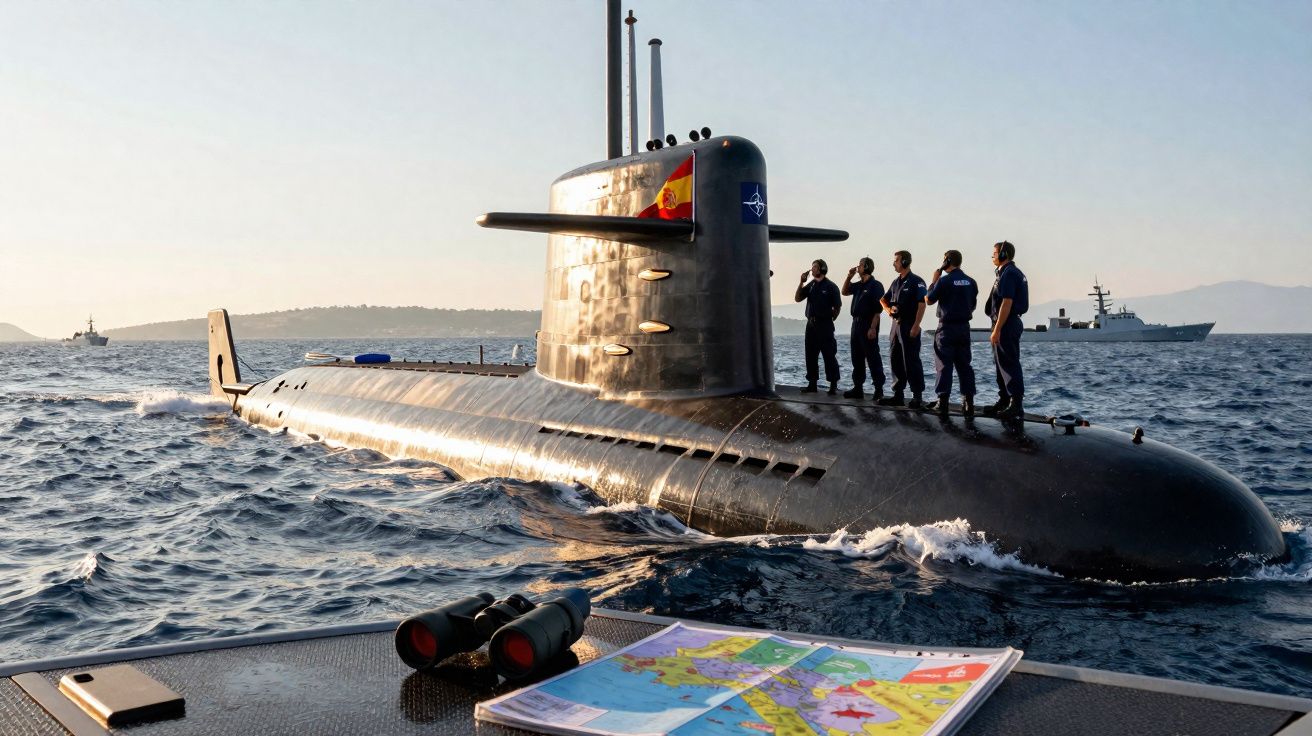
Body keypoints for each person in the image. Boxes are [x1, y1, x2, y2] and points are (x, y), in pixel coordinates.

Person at [924, 250, 978, 416]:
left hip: (946, 328)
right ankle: (968, 402)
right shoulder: (971, 282)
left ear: (947, 261)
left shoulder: (944, 281)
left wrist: (934, 281)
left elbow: (929, 299)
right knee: (964, 365)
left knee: (943, 365)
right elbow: (973, 305)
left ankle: (943, 401)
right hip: (963, 328)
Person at [983, 240, 1029, 418]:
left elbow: (1007, 303)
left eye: (994, 253)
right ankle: (1004, 399)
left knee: (1009, 363)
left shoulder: (1009, 273)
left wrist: (997, 329)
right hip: (1004, 323)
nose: (992, 257)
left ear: (1003, 254)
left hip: (1006, 323)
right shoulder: (1007, 273)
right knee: (1001, 363)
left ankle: (1015, 403)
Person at [877, 251, 927, 408]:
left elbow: (922, 304)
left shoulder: (916, 281)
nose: (894, 263)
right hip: (896, 325)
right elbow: (883, 300)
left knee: (911, 360)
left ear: (905, 262)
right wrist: (888, 311)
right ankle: (898, 395)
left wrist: (916, 325)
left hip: (909, 324)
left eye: (896, 261)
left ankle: (917, 396)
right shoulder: (896, 282)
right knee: (895, 359)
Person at [795, 259, 842, 395]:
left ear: (822, 269)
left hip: (825, 324)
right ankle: (812, 383)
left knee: (829, 354)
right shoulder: (811, 285)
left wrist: (830, 318)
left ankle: (833, 384)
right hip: (811, 324)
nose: (812, 269)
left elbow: (837, 306)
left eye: (815, 267)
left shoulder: (831, 286)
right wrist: (801, 282)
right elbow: (798, 298)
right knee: (810, 355)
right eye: (812, 267)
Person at [840, 257, 885, 400]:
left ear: (866, 266)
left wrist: (872, 328)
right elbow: (845, 291)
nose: (857, 267)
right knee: (856, 357)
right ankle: (858, 388)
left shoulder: (875, 285)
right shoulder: (858, 285)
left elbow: (878, 310)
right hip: (856, 324)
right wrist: (849, 276)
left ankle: (878, 389)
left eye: (860, 265)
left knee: (872, 357)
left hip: (868, 323)